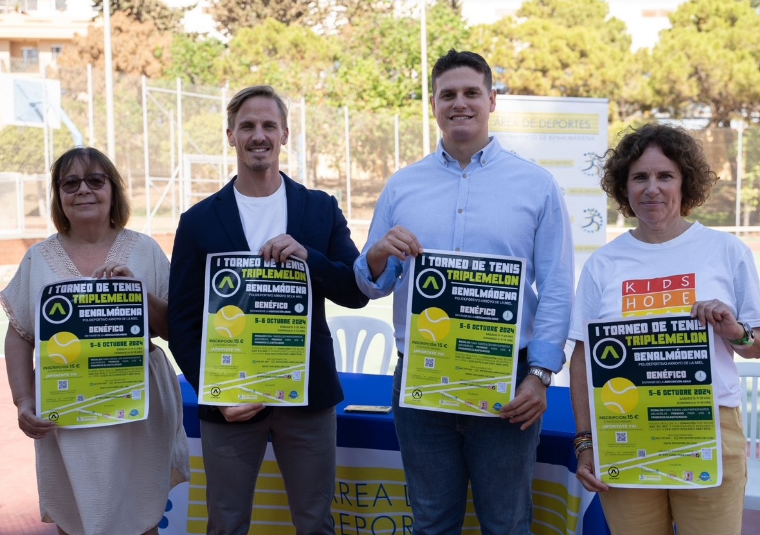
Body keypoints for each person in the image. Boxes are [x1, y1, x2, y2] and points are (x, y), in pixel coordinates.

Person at [354, 49, 574, 534]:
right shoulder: (402, 186)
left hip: (508, 383)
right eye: (447, 94)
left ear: (492, 100)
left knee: (507, 522)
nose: (460, 103)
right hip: (420, 380)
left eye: (471, 93)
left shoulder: (535, 185)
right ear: (432, 103)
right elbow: (373, 282)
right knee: (432, 521)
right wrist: (374, 256)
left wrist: (539, 375)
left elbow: (557, 288)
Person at [168, 85, 369, 535]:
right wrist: (214, 390)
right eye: (247, 126)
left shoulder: (319, 208)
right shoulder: (197, 221)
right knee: (226, 523)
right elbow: (182, 321)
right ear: (230, 136)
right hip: (232, 402)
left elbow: (355, 292)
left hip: (308, 399)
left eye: (268, 126)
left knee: (315, 524)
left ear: (285, 135)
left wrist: (308, 258)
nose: (258, 135)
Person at [569, 123, 760, 535]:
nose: (652, 189)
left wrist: (736, 331)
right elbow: (582, 359)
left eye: (665, 176)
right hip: (624, 430)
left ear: (686, 182)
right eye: (639, 177)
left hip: (709, 429)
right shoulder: (604, 264)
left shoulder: (726, 251)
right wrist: (586, 442)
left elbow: (759, 344)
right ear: (624, 188)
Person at [1, 147, 189, 535]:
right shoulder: (38, 257)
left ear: (112, 190)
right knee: (76, 517)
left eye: (95, 180)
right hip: (66, 409)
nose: (83, 190)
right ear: (58, 195)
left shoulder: (144, 250)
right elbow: (20, 336)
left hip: (138, 410)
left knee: (140, 519)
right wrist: (23, 401)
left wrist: (136, 293)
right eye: (70, 182)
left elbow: (177, 329)